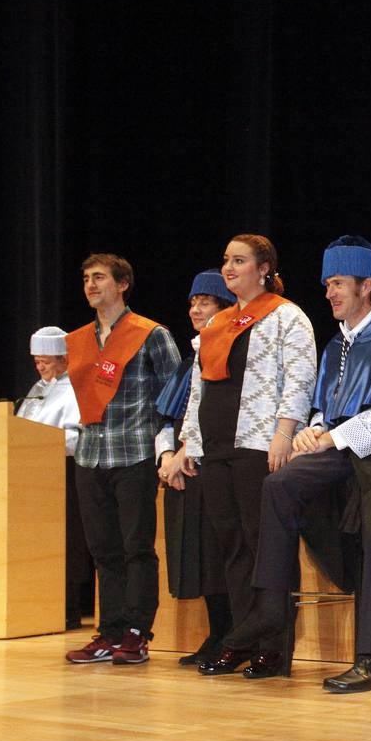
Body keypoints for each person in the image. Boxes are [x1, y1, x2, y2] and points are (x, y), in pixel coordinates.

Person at [216, 235, 371, 693]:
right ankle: (270, 605)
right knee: (279, 483)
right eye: (327, 285)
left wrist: (332, 437)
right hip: (344, 453)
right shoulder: (337, 344)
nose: (330, 293)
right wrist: (313, 429)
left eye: (338, 283)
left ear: (366, 285)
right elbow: (325, 407)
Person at [167, 235, 317, 678]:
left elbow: (300, 378)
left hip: (259, 445)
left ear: (264, 268)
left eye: (239, 261)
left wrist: (284, 433)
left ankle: (273, 647)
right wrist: (190, 442)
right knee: (232, 548)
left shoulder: (287, 316)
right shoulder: (218, 323)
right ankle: (242, 639)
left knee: (263, 545)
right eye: (226, 260)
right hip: (217, 448)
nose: (229, 268)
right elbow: (199, 390)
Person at [63, 254, 181, 665]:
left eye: (99, 277)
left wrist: (168, 448)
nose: (90, 285)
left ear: (123, 283)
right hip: (90, 456)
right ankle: (109, 631)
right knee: (103, 549)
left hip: (134, 454)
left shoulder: (150, 334)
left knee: (136, 548)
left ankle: (136, 632)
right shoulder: (78, 339)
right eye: (86, 278)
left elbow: (174, 397)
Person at [154, 270, 235, 665]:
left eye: (205, 302)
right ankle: (216, 632)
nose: (196, 309)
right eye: (192, 303)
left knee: (218, 556)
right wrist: (166, 456)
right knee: (197, 558)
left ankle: (231, 634)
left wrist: (188, 450)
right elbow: (166, 417)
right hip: (181, 469)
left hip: (211, 464)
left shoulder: (229, 354)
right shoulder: (189, 361)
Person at [17, 326, 87, 630]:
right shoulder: (38, 388)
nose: (40, 367)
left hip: (63, 475)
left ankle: (68, 607)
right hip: (29, 476)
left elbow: (78, 437)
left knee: (66, 542)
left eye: (45, 362)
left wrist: (42, 444)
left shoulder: (75, 388)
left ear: (64, 359)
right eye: (37, 362)